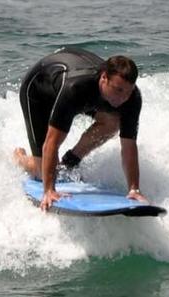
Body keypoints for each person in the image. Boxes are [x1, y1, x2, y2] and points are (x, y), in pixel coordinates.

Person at [14, 47, 148, 210]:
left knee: (113, 122)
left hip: (80, 83)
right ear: (104, 78)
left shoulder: (131, 98)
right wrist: (49, 190)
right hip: (39, 90)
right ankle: (19, 157)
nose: (123, 98)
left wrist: (134, 188)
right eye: (118, 90)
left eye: (128, 91)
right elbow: (52, 142)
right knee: (42, 173)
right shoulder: (75, 89)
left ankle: (70, 162)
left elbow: (128, 146)